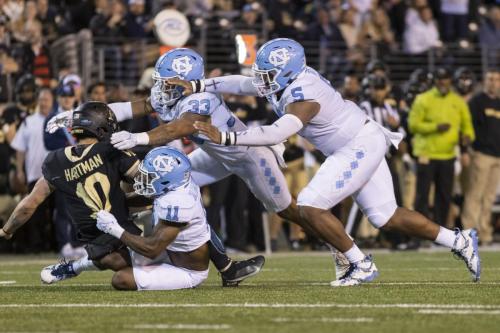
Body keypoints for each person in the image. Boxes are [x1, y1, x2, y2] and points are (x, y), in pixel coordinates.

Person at [169, 38, 480, 286]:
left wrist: (227, 138)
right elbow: (244, 83)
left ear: (288, 71)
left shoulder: (304, 94)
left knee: (310, 205)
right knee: (385, 216)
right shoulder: (288, 80)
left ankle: (359, 262)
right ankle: (458, 239)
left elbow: (280, 131)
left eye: (269, 75)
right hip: (360, 139)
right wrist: (200, 86)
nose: (262, 81)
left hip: (356, 144)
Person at [46, 48, 348, 283]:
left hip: (248, 156)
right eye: (161, 82)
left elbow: (180, 128)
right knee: (171, 185)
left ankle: (338, 246)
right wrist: (75, 114)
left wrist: (137, 135)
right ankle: (228, 267)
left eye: (168, 82)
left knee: (289, 211)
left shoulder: (201, 98)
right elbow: (134, 106)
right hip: (217, 155)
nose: (162, 88)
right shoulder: (169, 93)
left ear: (185, 80)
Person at [0, 102, 142, 283]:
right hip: (125, 229)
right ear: (100, 129)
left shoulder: (55, 161)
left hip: (97, 241)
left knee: (112, 260)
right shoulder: (113, 150)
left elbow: (29, 204)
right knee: (152, 256)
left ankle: (75, 266)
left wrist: (7, 230)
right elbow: (148, 184)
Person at [95, 147, 210, 290]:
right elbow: (148, 196)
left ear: (167, 179)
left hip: (186, 269)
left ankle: (179, 281)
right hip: (170, 251)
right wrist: (114, 202)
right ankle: (73, 268)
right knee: (110, 259)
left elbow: (152, 248)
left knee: (122, 279)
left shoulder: (179, 203)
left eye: (150, 176)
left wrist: (114, 228)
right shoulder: (176, 184)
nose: (145, 179)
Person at [409, 67, 475, 228]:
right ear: (435, 81)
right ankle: (420, 232)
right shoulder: (423, 99)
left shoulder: (458, 101)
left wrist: (467, 137)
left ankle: (439, 233)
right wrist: (435, 127)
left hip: (447, 156)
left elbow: (468, 126)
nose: (442, 82)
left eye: (445, 79)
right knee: (422, 196)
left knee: (444, 197)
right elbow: (413, 125)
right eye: (439, 79)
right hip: (426, 154)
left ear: (450, 81)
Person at [9, 87, 53, 252]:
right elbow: (20, 148)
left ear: (52, 101)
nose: (44, 103)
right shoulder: (28, 121)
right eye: (41, 99)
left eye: (47, 99)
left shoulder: (58, 120)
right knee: (35, 213)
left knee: (56, 212)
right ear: (37, 101)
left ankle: (55, 245)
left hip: (57, 174)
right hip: (35, 174)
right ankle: (37, 246)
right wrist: (20, 170)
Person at [461, 69, 500, 245]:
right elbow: (468, 128)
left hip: (498, 156)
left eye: (496, 79)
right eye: (490, 79)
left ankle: (485, 232)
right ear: (484, 81)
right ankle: (469, 232)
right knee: (474, 194)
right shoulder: (477, 102)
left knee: (489, 197)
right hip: (481, 154)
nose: (493, 82)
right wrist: (468, 150)